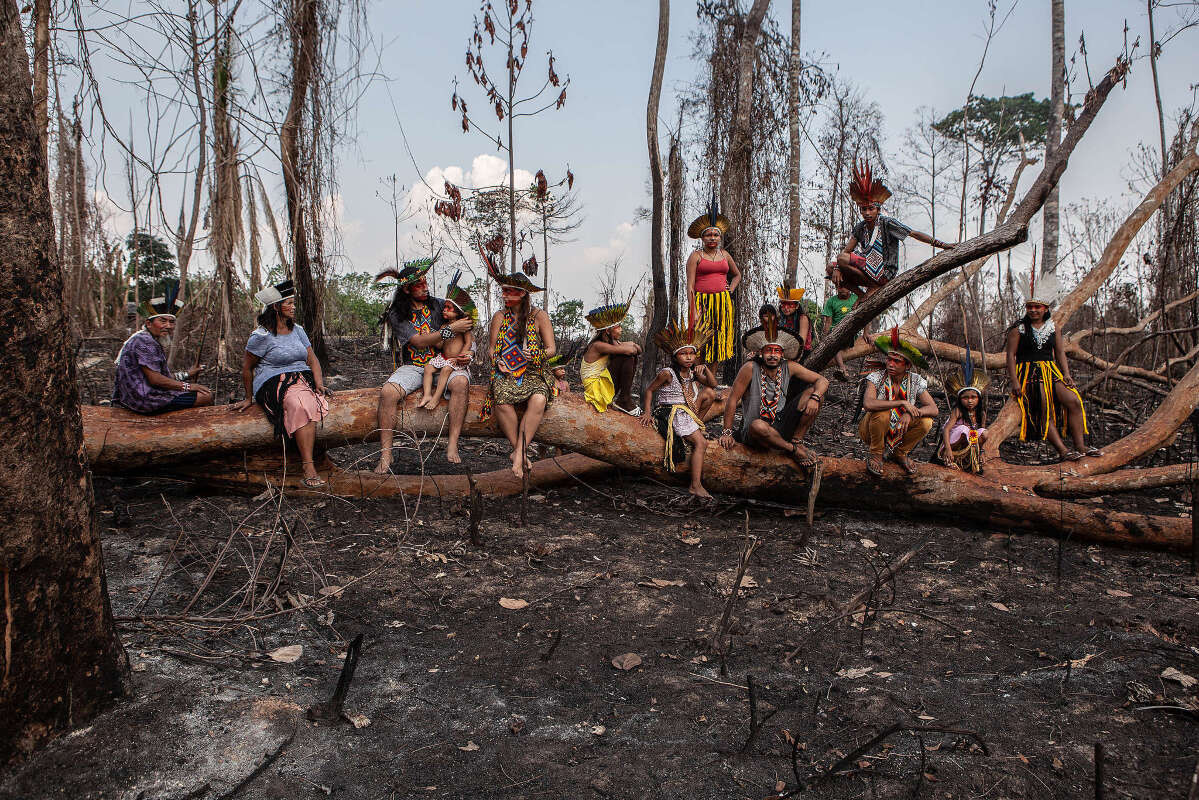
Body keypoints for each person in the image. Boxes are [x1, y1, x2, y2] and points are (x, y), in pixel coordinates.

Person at [373, 258, 475, 471]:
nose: (425, 286)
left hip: (445, 362)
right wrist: (450, 330)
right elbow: (418, 341)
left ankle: (453, 445)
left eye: (425, 281)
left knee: (461, 384)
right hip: (413, 365)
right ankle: (386, 455)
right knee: (388, 393)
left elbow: (466, 323)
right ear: (407, 289)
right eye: (419, 284)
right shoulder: (397, 313)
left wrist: (469, 353)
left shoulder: (439, 305)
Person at [236, 280, 330, 488]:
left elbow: (312, 359)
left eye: (293, 303)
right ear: (276, 307)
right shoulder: (261, 336)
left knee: (306, 399)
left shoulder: (297, 330)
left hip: (300, 377)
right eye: (289, 303)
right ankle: (308, 466)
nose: (293, 307)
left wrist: (319, 383)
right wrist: (248, 398)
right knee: (300, 405)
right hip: (273, 381)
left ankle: (308, 458)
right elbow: (247, 368)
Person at [479, 248, 558, 479]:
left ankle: (519, 452)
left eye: (509, 292)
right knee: (501, 400)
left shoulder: (539, 316)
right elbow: (492, 348)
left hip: (534, 371)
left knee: (539, 398)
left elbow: (552, 349)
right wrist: (499, 362)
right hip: (507, 372)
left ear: (522, 294)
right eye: (503, 291)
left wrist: (535, 355)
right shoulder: (499, 317)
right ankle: (520, 451)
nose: (505, 296)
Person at [1005, 269, 1100, 461]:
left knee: (1073, 401)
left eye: (1037, 307)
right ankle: (1063, 451)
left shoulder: (1053, 328)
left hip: (1051, 370)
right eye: (1030, 307)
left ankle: (1080, 446)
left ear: (1045, 308)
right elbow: (1010, 355)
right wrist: (1014, 381)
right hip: (1029, 372)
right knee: (1042, 408)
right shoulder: (1019, 329)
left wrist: (1066, 373)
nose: (1033, 310)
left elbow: (1060, 353)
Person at [831, 160, 954, 298]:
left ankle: (874, 286)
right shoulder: (860, 227)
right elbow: (847, 250)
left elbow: (913, 234)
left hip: (885, 272)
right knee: (831, 268)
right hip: (866, 269)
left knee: (842, 259)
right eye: (864, 209)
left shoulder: (887, 223)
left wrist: (941, 244)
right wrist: (837, 268)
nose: (867, 213)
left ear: (878, 209)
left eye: (871, 209)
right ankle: (862, 295)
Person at [719, 321, 827, 475]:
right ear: (761, 352)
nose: (772, 355)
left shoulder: (789, 367)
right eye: (768, 350)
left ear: (782, 354)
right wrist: (727, 432)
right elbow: (732, 399)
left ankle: (797, 441)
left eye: (777, 351)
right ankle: (793, 450)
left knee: (815, 394)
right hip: (755, 433)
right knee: (758, 425)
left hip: (780, 426)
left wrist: (815, 398)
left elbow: (822, 380)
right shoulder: (750, 368)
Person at [641, 321, 716, 499]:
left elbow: (712, 384)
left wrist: (704, 368)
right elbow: (650, 390)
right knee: (701, 443)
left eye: (692, 354)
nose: (689, 358)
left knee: (710, 393)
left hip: (686, 410)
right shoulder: (667, 373)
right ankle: (695, 485)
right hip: (671, 412)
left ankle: (694, 429)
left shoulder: (691, 373)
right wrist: (647, 412)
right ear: (675, 356)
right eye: (684, 354)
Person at [112, 284, 213, 413]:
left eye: (171, 322)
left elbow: (162, 376)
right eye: (163, 321)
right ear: (149, 323)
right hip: (143, 399)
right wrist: (189, 386)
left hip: (137, 396)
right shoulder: (145, 341)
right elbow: (155, 379)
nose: (168, 326)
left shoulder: (148, 339)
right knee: (206, 396)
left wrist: (188, 374)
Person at [858, 329, 939, 476]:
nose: (890, 364)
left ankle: (900, 453)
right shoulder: (876, 377)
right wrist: (901, 402)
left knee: (926, 422)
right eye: (889, 359)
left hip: (899, 429)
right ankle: (876, 453)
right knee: (882, 412)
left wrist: (910, 413)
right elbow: (868, 404)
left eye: (897, 361)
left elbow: (933, 409)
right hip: (872, 429)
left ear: (907, 366)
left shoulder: (915, 380)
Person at [686, 195, 741, 367]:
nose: (712, 238)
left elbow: (737, 275)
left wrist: (730, 289)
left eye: (716, 235)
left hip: (722, 302)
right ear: (702, 238)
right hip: (702, 302)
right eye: (708, 235)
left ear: (720, 237)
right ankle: (697, 379)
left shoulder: (725, 255)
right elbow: (690, 285)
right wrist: (694, 310)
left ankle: (711, 381)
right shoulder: (696, 256)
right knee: (702, 340)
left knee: (719, 342)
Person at [419, 272, 476, 411]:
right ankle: (426, 394)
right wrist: (429, 336)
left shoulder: (463, 326)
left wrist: (462, 355)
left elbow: (469, 342)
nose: (444, 310)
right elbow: (439, 344)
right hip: (444, 357)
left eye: (448, 308)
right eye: (444, 307)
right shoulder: (444, 327)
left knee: (445, 370)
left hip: (456, 360)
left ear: (458, 312)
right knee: (427, 368)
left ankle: (436, 397)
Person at [580, 298, 643, 414]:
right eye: (618, 327)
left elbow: (638, 349)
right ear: (608, 331)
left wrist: (628, 345)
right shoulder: (598, 345)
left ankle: (624, 398)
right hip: (595, 389)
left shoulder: (610, 344)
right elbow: (630, 351)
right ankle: (624, 399)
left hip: (602, 385)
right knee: (626, 357)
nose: (621, 330)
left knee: (628, 356)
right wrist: (629, 347)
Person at [941, 358, 990, 473]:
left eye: (973, 397)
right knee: (963, 429)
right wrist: (947, 448)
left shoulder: (981, 413)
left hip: (970, 442)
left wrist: (981, 452)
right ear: (960, 399)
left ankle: (971, 457)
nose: (970, 401)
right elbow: (946, 429)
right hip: (953, 442)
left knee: (984, 432)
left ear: (978, 398)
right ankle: (949, 457)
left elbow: (979, 432)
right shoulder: (958, 411)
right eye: (965, 398)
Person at [820, 283, 860, 381]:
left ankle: (843, 369)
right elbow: (828, 322)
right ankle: (843, 370)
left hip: (851, 332)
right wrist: (824, 339)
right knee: (834, 342)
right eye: (839, 287)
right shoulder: (831, 301)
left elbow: (867, 314)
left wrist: (867, 333)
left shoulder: (856, 298)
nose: (842, 289)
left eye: (845, 286)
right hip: (835, 332)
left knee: (837, 341)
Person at [776, 284, 812, 360]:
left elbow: (801, 342)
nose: (786, 308)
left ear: (797, 306)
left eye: (790, 305)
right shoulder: (780, 319)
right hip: (784, 352)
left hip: (802, 353)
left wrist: (797, 358)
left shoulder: (803, 319)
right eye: (783, 304)